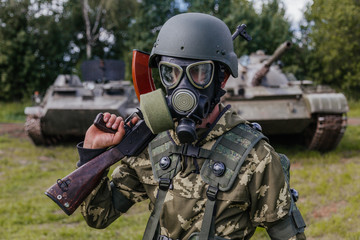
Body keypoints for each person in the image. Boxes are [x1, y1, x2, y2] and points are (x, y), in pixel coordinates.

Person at [77, 12, 306, 240]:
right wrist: (92, 153)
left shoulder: (255, 156)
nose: (182, 87)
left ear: (222, 78)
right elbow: (98, 216)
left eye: (199, 73)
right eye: (171, 73)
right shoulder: (151, 144)